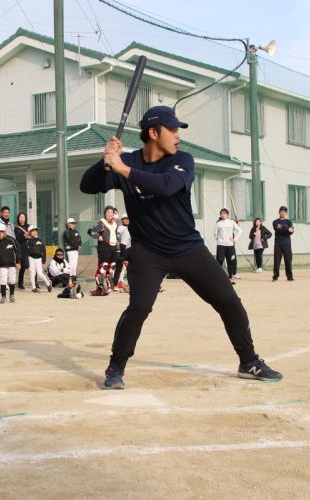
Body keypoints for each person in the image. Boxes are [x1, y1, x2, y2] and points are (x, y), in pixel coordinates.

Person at [80, 105, 282, 389]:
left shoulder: (183, 161)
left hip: (188, 249)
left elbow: (165, 185)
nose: (177, 136)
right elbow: (87, 186)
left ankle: (248, 362)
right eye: (172, 130)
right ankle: (116, 367)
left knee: (229, 302)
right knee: (139, 307)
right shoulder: (128, 162)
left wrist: (121, 167)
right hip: (148, 252)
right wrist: (104, 160)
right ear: (153, 133)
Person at [87, 206, 119, 295]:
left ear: (113, 214)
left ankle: (109, 287)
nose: (109, 214)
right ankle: (99, 288)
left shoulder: (116, 223)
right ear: (105, 213)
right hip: (104, 246)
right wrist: (98, 236)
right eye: (108, 212)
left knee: (112, 267)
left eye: (111, 212)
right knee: (103, 268)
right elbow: (90, 231)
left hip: (113, 247)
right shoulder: (102, 223)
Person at [0, 223, 21, 304]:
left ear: (4, 232)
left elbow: (18, 251)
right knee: (3, 281)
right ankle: (3, 296)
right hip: (1, 265)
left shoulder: (11, 240)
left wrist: (17, 262)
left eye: (0, 233)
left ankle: (12, 295)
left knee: (12, 280)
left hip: (12, 264)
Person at [213, 208, 242, 282]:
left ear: (227, 214)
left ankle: (230, 277)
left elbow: (240, 230)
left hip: (230, 245)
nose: (223, 215)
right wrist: (219, 240)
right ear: (220, 215)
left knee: (231, 261)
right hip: (221, 245)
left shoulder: (232, 222)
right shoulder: (218, 223)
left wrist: (235, 239)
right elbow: (215, 234)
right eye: (221, 213)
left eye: (224, 213)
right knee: (219, 261)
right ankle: (218, 277)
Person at [271, 206, 295, 282]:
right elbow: (277, 230)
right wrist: (287, 229)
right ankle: (275, 277)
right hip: (278, 243)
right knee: (277, 261)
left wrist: (288, 230)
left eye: (284, 211)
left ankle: (289, 277)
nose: (283, 213)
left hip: (287, 243)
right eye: (281, 211)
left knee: (288, 260)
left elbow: (291, 232)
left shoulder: (289, 222)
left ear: (286, 213)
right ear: (279, 212)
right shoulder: (275, 222)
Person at [25, 226, 52, 293]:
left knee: (39, 273)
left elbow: (44, 249)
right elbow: (26, 251)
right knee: (32, 273)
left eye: (36, 231)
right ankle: (33, 287)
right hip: (31, 258)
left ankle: (48, 284)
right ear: (29, 233)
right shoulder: (28, 241)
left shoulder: (39, 240)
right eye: (33, 231)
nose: (35, 232)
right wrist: (26, 261)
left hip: (38, 259)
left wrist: (44, 258)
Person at [112, 213, 131, 291]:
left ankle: (127, 284)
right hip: (120, 250)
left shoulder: (130, 228)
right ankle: (115, 285)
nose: (126, 220)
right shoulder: (120, 228)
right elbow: (121, 241)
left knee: (128, 269)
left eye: (127, 219)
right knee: (119, 268)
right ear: (122, 220)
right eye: (124, 219)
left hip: (128, 250)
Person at [14, 212, 31, 289]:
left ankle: (35, 282)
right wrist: (24, 236)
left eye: (23, 217)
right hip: (22, 248)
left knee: (34, 265)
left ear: (25, 218)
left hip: (30, 247)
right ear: (18, 218)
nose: (22, 219)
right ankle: (20, 283)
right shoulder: (16, 228)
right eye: (20, 217)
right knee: (23, 266)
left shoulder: (29, 226)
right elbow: (17, 239)